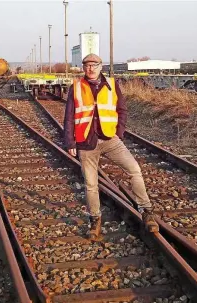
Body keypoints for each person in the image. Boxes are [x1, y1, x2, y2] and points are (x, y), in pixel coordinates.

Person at [63, 53, 159, 239]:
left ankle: (146, 210)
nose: (90, 68)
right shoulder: (76, 87)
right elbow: (69, 117)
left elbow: (121, 109)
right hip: (86, 141)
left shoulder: (112, 85)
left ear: (101, 67)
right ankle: (95, 220)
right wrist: (70, 141)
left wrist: (119, 133)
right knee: (91, 184)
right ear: (83, 68)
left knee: (134, 170)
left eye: (94, 65)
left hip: (110, 139)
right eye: (87, 65)